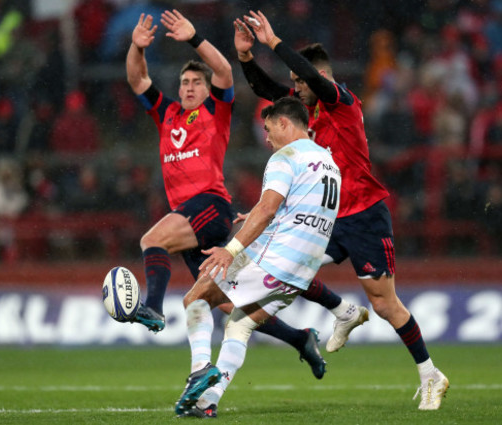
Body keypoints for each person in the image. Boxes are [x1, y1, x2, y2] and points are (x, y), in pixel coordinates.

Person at [234, 11, 449, 410]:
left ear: (321, 79)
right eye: (295, 84)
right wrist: (247, 58)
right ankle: (343, 310)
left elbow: (310, 79)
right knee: (290, 271)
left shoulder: (342, 102)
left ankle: (430, 373)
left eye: (301, 82)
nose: (296, 89)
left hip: (365, 213)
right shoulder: (310, 112)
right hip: (328, 216)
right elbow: (269, 90)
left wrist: (273, 41)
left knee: (384, 303)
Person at [125, 10, 332, 378]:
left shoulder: (215, 110)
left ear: (207, 89)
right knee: (228, 304)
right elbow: (138, 79)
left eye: (195, 82)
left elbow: (222, 70)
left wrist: (194, 38)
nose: (188, 87)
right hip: (188, 218)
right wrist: (136, 48)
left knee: (151, 239)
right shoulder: (167, 114)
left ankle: (154, 308)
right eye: (184, 82)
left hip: (209, 204)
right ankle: (301, 339)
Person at [175, 97, 342, 418]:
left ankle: (199, 368)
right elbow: (300, 206)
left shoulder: (285, 156)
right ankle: (207, 400)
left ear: (284, 123)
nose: (266, 137)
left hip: (274, 258)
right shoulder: (329, 162)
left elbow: (267, 209)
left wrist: (231, 250)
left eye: (268, 129)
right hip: (302, 271)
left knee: (196, 296)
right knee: (239, 325)